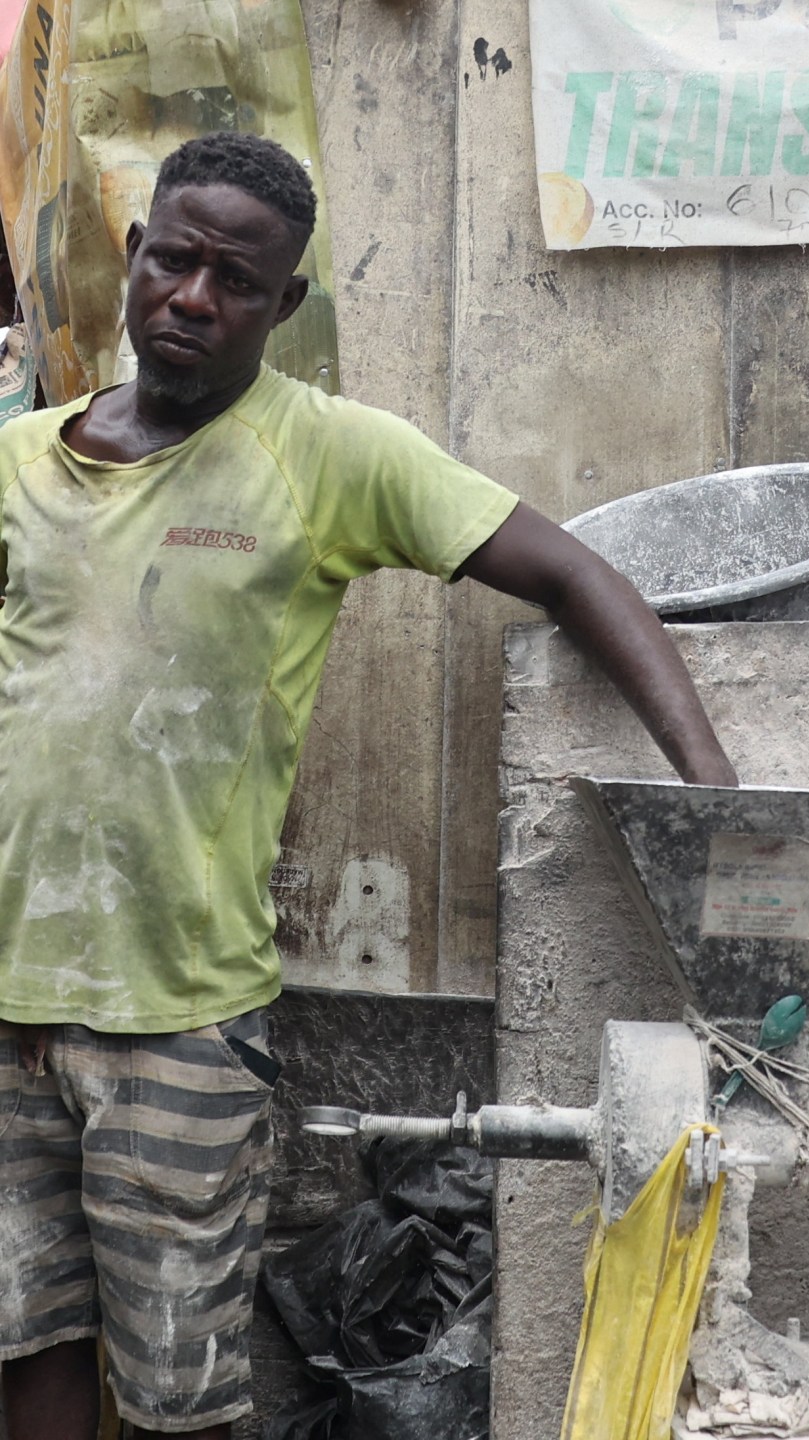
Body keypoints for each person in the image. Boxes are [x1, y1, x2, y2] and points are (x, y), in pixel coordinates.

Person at [0, 132, 738, 1438]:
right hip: (6, 1003)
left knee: (181, 1399)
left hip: (174, 1020)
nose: (192, 296)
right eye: (174, 260)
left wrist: (715, 791)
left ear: (284, 307)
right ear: (134, 254)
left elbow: (572, 574)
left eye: (236, 279)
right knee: (30, 1351)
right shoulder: (21, 463)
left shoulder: (327, 454)